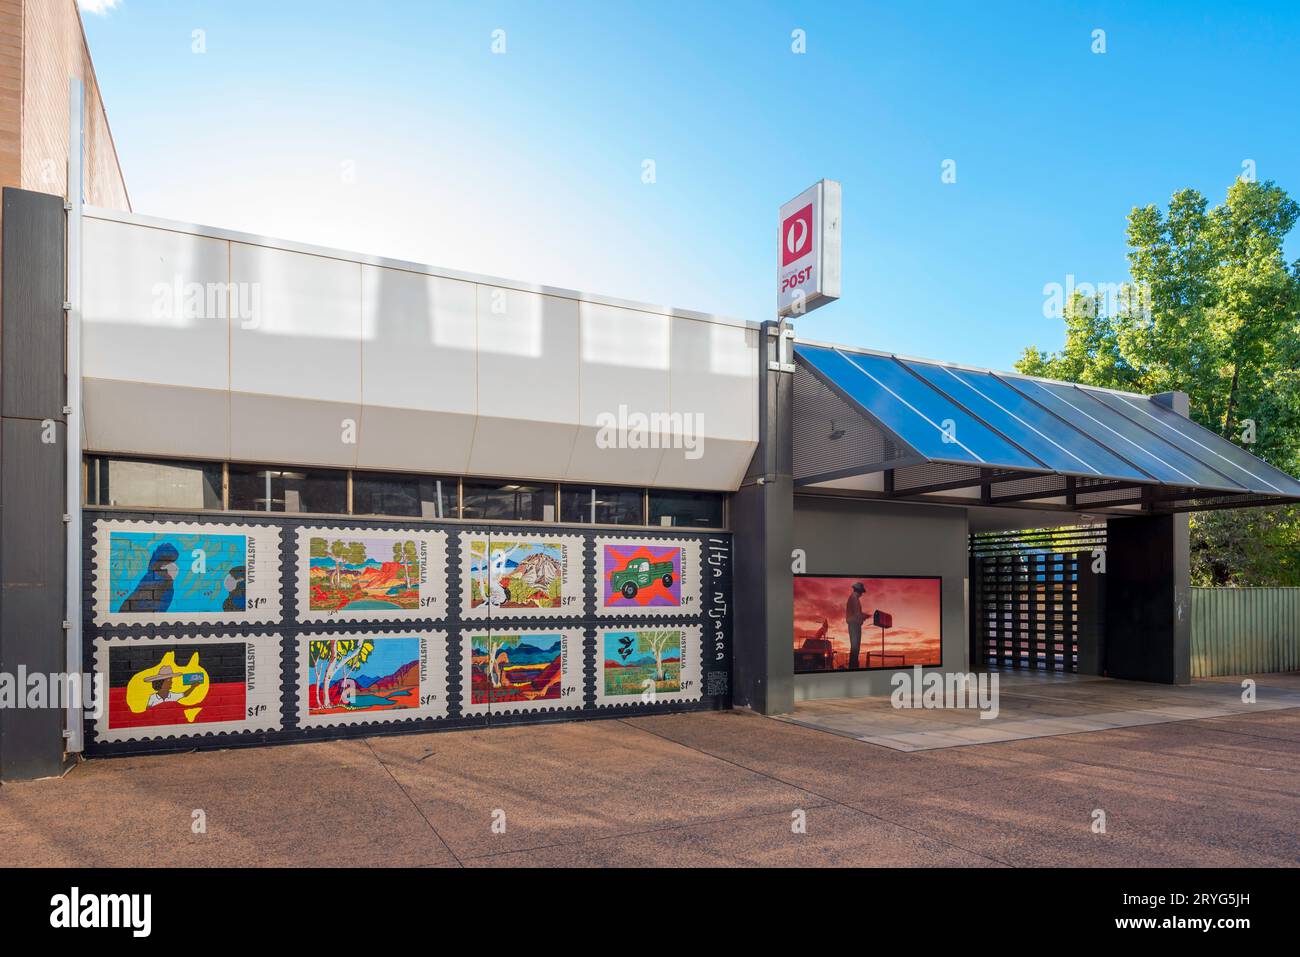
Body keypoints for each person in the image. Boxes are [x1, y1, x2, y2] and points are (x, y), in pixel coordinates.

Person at [845, 582, 867, 669]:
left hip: (854, 625)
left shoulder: (854, 598)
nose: (862, 594)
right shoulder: (854, 598)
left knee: (855, 647)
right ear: (859, 591)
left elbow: (856, 613)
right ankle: (853, 667)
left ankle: (853, 666)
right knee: (855, 648)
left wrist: (862, 616)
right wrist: (864, 616)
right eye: (861, 592)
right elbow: (857, 614)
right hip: (854, 625)